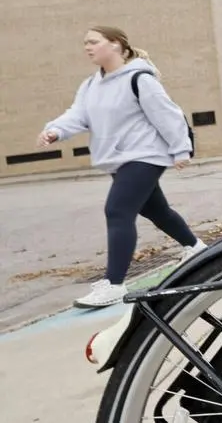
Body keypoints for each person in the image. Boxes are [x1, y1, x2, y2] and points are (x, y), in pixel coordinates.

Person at [39, 26, 207, 308]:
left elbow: (168, 114)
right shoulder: (91, 85)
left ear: (116, 45)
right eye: (85, 43)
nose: (87, 47)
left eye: (93, 42)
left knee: (117, 210)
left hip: (144, 154)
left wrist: (181, 149)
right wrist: (55, 131)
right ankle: (196, 249)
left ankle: (114, 284)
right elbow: (77, 115)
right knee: (156, 210)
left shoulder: (140, 78)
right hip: (120, 158)